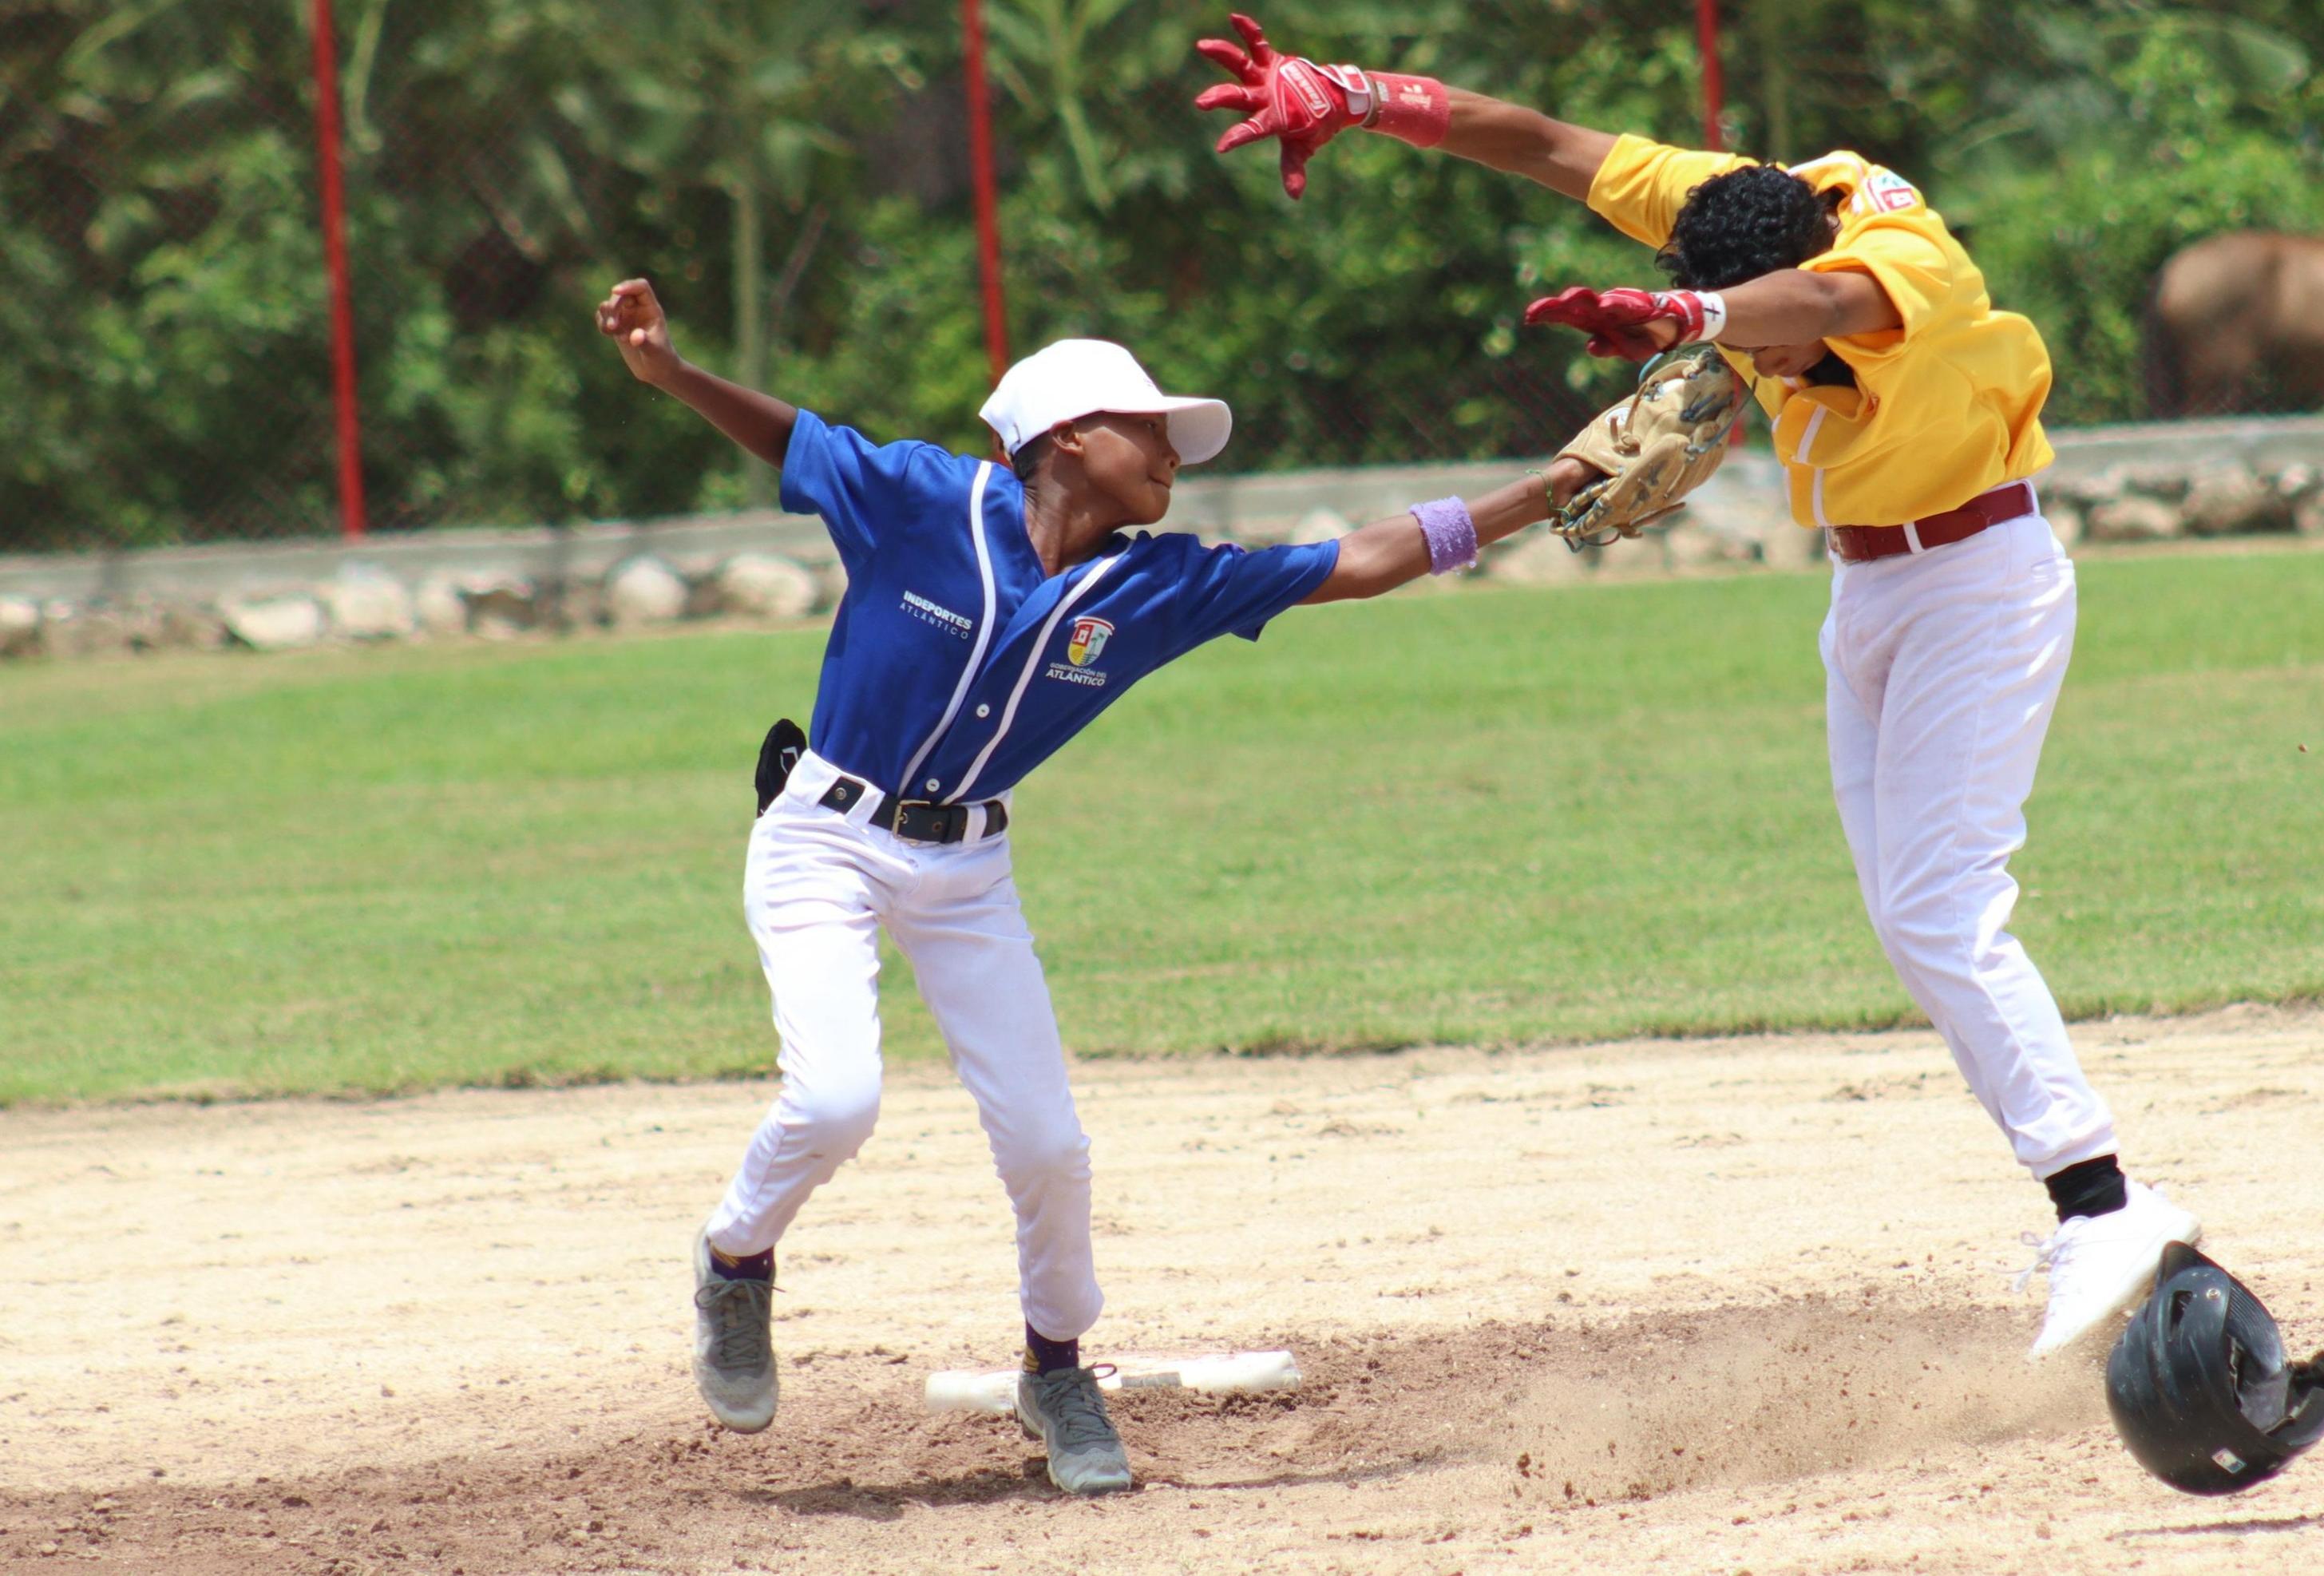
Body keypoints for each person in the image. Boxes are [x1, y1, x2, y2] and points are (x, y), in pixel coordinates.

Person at [1195, 14, 2200, 1360]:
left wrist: (1691, 320)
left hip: (1981, 579)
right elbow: (1542, 143)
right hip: (1868, 590)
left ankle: (2101, 1202)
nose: (1753, 375)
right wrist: (1355, 95)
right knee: (1914, 922)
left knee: (1941, 905)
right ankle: (2095, 1202)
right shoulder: (1722, 198)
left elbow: (1825, 309)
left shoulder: (1896, 258)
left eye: (1750, 344)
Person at [595, 277, 1602, 1490]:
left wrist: (1547, 491)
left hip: (965, 867)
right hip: (825, 838)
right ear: (1065, 435)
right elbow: (791, 437)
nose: (1173, 450)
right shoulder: (926, 499)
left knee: (1048, 1144)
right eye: (1149, 426)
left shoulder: (1159, 585)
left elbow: (1367, 560)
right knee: (834, 1102)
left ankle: (1056, 1369)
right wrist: (669, 373)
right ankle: (736, 1260)